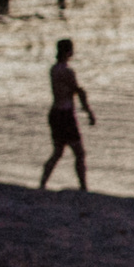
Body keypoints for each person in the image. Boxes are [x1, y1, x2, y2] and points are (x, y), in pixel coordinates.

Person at [40, 38, 96, 190]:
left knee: (58, 152)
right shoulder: (67, 71)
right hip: (65, 115)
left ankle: (42, 183)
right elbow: (77, 91)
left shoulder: (53, 69)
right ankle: (83, 187)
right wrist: (89, 112)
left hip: (55, 113)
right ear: (68, 52)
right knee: (79, 153)